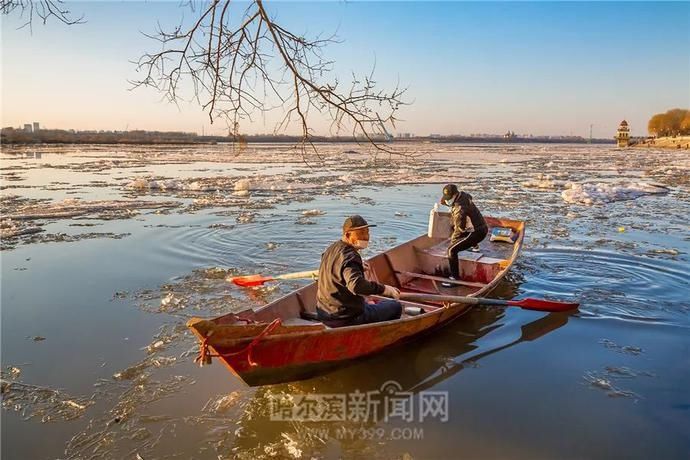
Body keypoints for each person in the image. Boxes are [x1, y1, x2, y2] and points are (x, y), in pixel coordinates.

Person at [316, 215, 402, 326]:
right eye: (361, 233)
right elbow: (356, 286)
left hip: (324, 313)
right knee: (395, 306)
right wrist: (385, 289)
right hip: (346, 318)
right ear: (348, 235)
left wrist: (358, 266)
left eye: (367, 232)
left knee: (367, 302)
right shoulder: (351, 256)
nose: (366, 237)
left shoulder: (331, 249)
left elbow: (338, 266)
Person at [440, 184, 488, 287]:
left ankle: (455, 279)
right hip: (480, 227)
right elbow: (468, 198)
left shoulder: (460, 210)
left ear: (455, 195)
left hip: (477, 233)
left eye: (449, 199)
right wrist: (448, 204)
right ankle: (475, 246)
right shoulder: (464, 195)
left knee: (451, 250)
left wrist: (453, 242)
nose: (447, 201)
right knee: (461, 228)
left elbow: (460, 229)